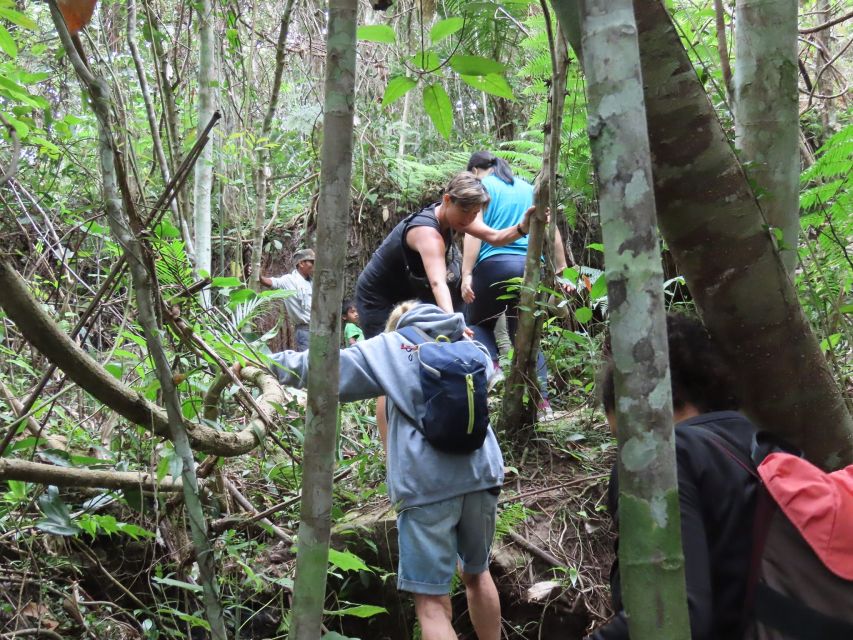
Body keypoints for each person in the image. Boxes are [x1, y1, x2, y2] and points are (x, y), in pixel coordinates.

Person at [270, 302, 504, 640]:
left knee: (431, 605)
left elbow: (320, 369)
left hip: (427, 488)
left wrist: (262, 362)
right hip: (483, 476)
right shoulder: (469, 344)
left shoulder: (388, 348)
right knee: (478, 574)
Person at [589, 313, 761, 639]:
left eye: (622, 436)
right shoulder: (764, 444)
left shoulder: (661, 458)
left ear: (645, 409)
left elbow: (667, 620)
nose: (625, 449)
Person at [355, 171, 538, 339]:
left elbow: (494, 237)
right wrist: (454, 323)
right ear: (447, 199)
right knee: (389, 353)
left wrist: (522, 228)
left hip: (410, 293)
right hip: (379, 298)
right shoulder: (427, 233)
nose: (468, 219)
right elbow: (438, 283)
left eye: (475, 214)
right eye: (465, 211)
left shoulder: (456, 218)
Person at [462, 151, 573, 419]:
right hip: (530, 268)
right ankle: (543, 405)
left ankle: (495, 369)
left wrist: (466, 273)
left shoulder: (481, 187)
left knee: (476, 323)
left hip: (493, 265)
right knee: (526, 335)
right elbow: (552, 229)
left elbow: (473, 230)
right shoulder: (528, 188)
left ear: (476, 170)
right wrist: (562, 270)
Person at [260, 248, 314, 352]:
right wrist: (259, 277)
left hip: (319, 330)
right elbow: (272, 282)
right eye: (311, 262)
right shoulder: (289, 280)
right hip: (304, 330)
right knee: (307, 363)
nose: (314, 265)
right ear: (301, 263)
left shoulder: (312, 282)